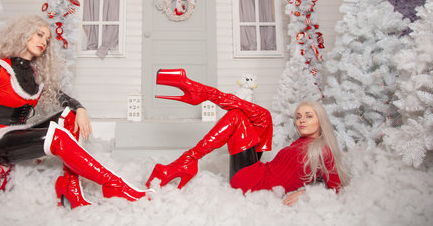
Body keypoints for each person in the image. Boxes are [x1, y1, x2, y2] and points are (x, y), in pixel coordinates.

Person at [0, 15, 150, 208]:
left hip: (15, 134)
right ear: (23, 34)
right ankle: (114, 185)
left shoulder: (35, 75)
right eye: (39, 34)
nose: (43, 41)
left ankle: (70, 185)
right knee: (58, 136)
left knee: (71, 116)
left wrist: (80, 108)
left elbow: (62, 97)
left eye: (47, 39)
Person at [146, 69, 350, 206]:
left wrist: (305, 194)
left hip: (253, 182)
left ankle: (200, 97)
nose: (301, 121)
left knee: (239, 116)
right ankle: (201, 96)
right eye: (298, 117)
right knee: (258, 117)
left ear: (320, 120)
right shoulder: (302, 142)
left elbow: (336, 189)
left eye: (308, 116)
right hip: (258, 171)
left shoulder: (323, 150)